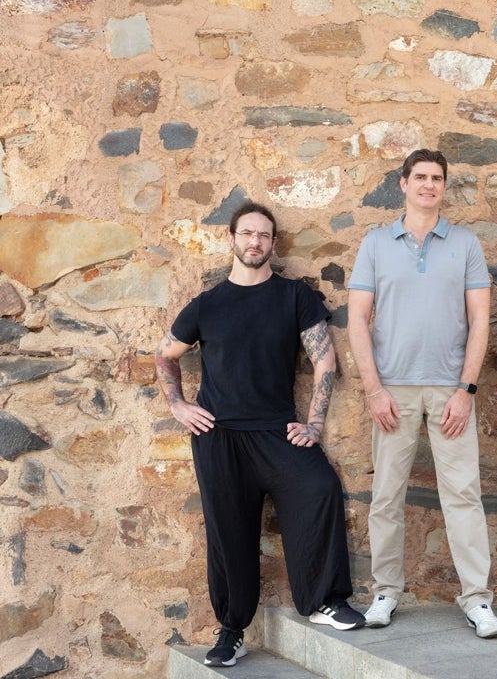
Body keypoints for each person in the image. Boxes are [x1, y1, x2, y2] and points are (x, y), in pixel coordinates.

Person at [155, 201, 364, 669]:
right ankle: (231, 632)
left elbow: (324, 362)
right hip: (219, 436)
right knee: (229, 533)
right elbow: (165, 355)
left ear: (273, 244)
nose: (255, 242)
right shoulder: (207, 305)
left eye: (264, 236)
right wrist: (178, 405)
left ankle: (325, 600)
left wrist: (312, 425)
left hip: (277, 432)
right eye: (248, 233)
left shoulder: (294, 296)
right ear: (232, 239)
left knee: (320, 487)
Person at [347, 149, 497, 638]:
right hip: (391, 389)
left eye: (437, 178)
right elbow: (356, 319)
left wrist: (466, 389)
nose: (429, 185)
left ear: (443, 186)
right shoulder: (375, 243)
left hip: (449, 390)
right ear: (404, 183)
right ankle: (385, 592)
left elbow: (480, 320)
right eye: (421, 177)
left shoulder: (465, 243)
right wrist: (373, 390)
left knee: (463, 495)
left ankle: (477, 599)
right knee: (387, 496)